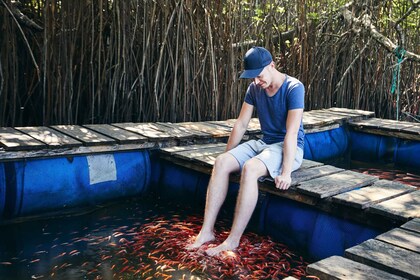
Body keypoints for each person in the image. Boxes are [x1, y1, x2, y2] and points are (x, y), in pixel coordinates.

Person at [186, 46, 305, 256]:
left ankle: (232, 241)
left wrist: (286, 172)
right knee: (221, 163)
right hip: (265, 143)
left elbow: (292, 133)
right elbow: (241, 124)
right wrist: (228, 156)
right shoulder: (254, 89)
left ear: (272, 65)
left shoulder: (294, 88)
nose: (257, 81)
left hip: (289, 148)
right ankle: (206, 232)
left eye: (259, 76)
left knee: (250, 168)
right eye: (253, 78)